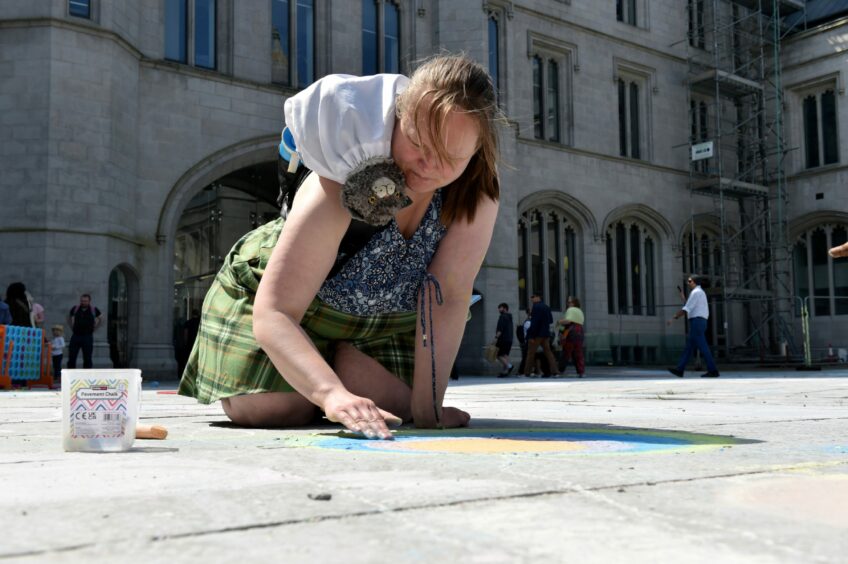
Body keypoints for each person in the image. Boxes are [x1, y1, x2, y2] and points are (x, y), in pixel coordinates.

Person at [179, 54, 502, 440]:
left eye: (452, 157)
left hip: (379, 324)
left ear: (477, 151)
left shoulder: (476, 196)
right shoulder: (340, 176)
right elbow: (276, 310)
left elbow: (446, 296)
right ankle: (324, 379)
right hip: (286, 303)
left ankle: (341, 369)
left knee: (402, 410)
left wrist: (427, 408)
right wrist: (330, 393)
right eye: (418, 143)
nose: (429, 166)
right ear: (395, 120)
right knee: (268, 409)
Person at [668, 275, 719, 378]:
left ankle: (713, 370)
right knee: (689, 347)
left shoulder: (696, 293)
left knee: (703, 347)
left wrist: (673, 317)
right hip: (699, 322)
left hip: (697, 322)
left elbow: (687, 309)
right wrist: (683, 298)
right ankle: (680, 369)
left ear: (695, 282)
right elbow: (691, 306)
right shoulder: (699, 292)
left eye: (690, 281)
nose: (688, 283)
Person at [524, 294, 559, 378]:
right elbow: (550, 320)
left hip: (536, 334)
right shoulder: (547, 307)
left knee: (530, 353)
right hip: (545, 334)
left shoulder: (535, 307)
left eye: (533, 297)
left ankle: (527, 373)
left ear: (538, 297)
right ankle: (555, 371)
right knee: (548, 353)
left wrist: (531, 335)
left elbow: (534, 322)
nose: (531, 299)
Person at [67, 294, 102, 369]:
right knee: (72, 357)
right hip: (76, 336)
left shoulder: (94, 309)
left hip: (87, 336)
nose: (83, 302)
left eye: (85, 301)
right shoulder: (75, 308)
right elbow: (69, 317)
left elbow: (101, 318)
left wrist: (95, 327)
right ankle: (70, 375)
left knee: (87, 358)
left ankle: (87, 376)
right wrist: (71, 326)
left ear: (89, 301)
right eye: (82, 301)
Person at [557, 296, 585, 378]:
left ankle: (560, 370)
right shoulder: (580, 311)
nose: (568, 304)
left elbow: (568, 321)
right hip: (580, 331)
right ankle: (581, 371)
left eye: (570, 302)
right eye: (568, 302)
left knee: (566, 352)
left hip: (571, 331)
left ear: (574, 303)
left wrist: (559, 322)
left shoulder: (570, 310)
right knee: (578, 353)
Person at [494, 303, 514, 377]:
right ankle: (505, 372)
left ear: (505, 308)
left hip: (503, 339)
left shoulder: (502, 317)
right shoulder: (509, 317)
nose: (499, 309)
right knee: (505, 355)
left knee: (498, 355)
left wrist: (496, 338)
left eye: (500, 308)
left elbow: (500, 329)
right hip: (509, 339)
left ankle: (509, 366)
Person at [516, 307, 531, 376]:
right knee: (526, 357)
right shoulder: (528, 321)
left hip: (527, 341)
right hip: (528, 341)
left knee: (527, 356)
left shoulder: (528, 321)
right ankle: (522, 371)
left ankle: (523, 371)